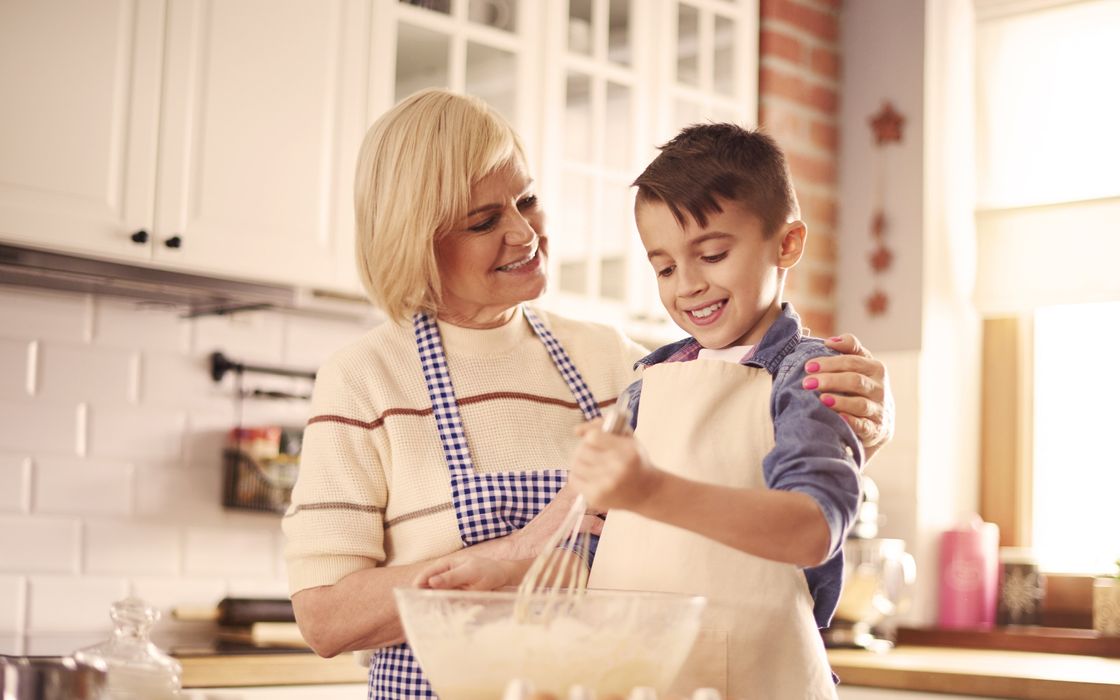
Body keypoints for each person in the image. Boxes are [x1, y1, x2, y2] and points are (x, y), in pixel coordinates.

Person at [283, 89, 891, 700]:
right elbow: (326, 619)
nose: (524, 233)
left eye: (527, 200)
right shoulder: (365, 378)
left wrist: (863, 418)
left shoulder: (619, 362)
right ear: (415, 240)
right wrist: (520, 551)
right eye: (484, 221)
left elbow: (742, 442)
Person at [568, 123, 860, 699]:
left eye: (713, 254)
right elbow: (605, 534)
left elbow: (813, 529)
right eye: (666, 268)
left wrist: (650, 491)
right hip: (632, 675)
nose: (689, 285)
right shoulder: (646, 385)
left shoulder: (805, 375)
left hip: (757, 675)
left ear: (787, 244)